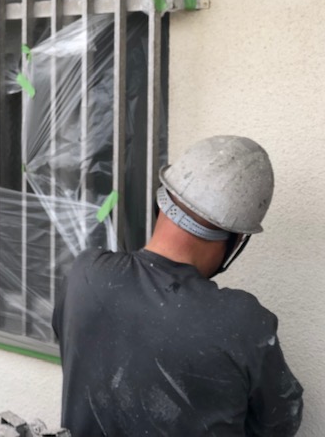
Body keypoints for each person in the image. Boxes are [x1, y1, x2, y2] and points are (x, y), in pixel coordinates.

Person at [52, 135, 303, 436]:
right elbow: (280, 421)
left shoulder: (85, 275)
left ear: (161, 203)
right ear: (236, 239)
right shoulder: (244, 323)